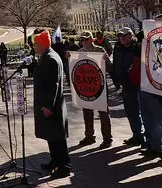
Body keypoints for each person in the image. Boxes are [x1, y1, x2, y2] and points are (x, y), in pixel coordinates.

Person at [33, 29, 70, 179]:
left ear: (42, 44)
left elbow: (53, 85)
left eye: (36, 44)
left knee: (57, 137)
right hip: (49, 105)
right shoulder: (46, 56)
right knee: (51, 135)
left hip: (53, 107)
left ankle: (64, 166)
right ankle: (55, 161)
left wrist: (48, 105)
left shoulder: (51, 59)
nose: (34, 46)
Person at [69, 31, 113, 148]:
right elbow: (74, 66)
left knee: (103, 112)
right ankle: (89, 136)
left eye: (86, 39)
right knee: (87, 112)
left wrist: (106, 59)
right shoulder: (80, 52)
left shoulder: (100, 50)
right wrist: (69, 58)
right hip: (87, 87)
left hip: (100, 86)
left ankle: (107, 138)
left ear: (92, 39)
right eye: (82, 40)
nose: (84, 42)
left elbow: (109, 67)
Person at [138, 14, 162, 160]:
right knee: (153, 119)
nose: (157, 27)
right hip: (152, 87)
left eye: (160, 24)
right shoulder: (149, 41)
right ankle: (156, 147)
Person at [112, 27, 145, 146]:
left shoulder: (137, 47)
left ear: (130, 35)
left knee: (141, 111)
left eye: (124, 36)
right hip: (125, 84)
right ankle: (137, 135)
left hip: (137, 84)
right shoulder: (118, 48)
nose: (121, 39)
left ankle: (145, 137)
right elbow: (115, 64)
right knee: (130, 111)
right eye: (120, 36)